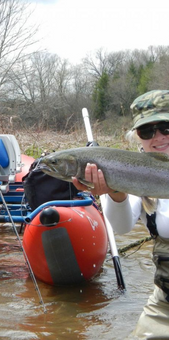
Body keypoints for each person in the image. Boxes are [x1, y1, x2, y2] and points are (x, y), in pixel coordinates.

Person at [73, 89, 169, 339]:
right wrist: (115, 192)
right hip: (165, 304)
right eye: (147, 131)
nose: (157, 137)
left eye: (166, 127)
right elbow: (123, 226)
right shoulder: (129, 169)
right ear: (137, 136)